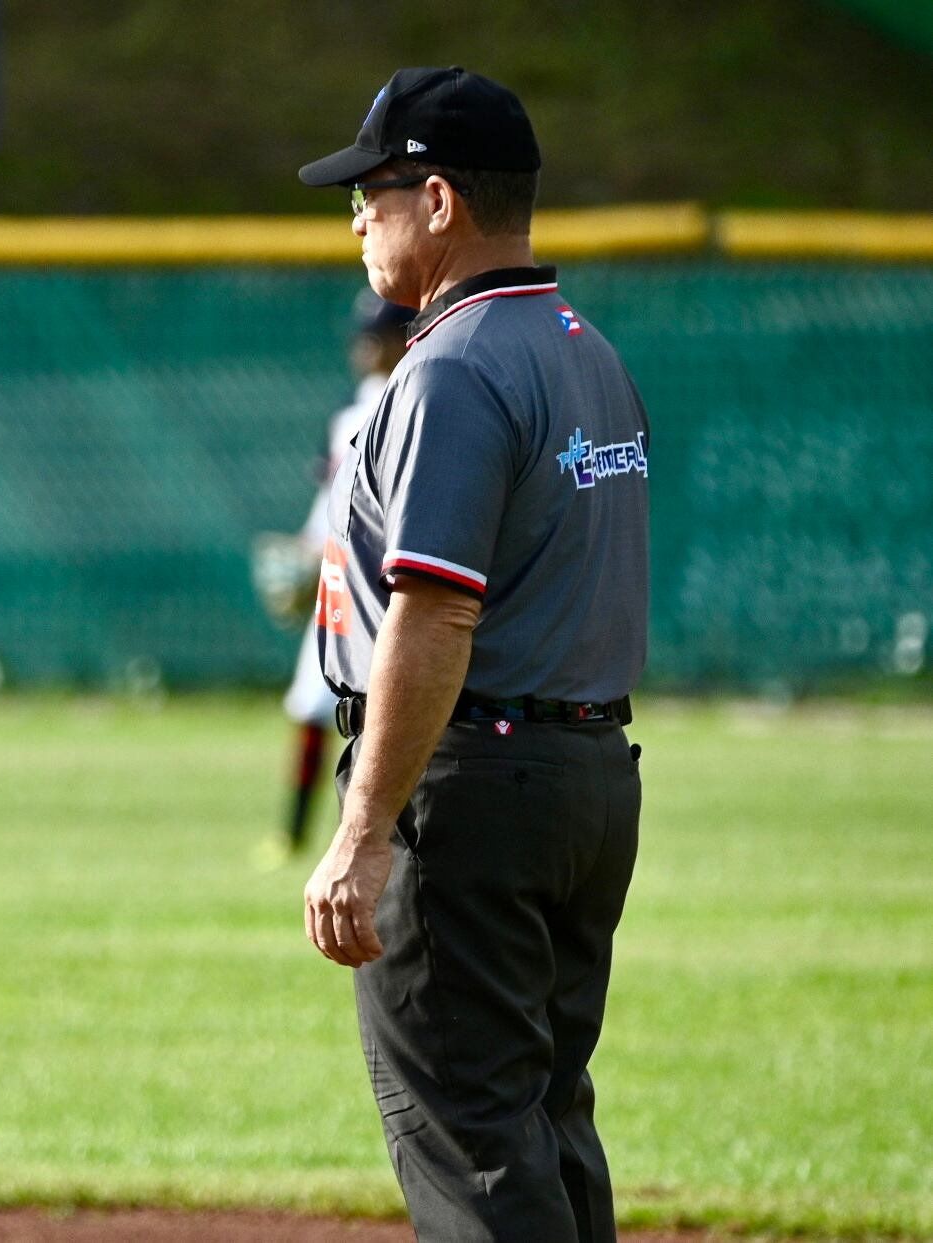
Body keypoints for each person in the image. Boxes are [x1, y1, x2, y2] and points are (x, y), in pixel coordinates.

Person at [295, 68, 651, 1242]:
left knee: (471, 1148)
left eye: (374, 191)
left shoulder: (449, 368)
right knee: (544, 1123)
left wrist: (358, 833)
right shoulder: (583, 350)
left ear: (437, 200)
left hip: (472, 792)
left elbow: (436, 613)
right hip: (586, 781)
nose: (356, 215)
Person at [262, 292, 415, 862]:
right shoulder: (350, 413)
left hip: (379, 581)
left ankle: (360, 831)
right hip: (343, 577)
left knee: (380, 707)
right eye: (363, 336)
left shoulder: (409, 399)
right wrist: (309, 550)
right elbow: (334, 501)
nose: (365, 347)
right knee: (314, 703)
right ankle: (297, 832)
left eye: (378, 335)